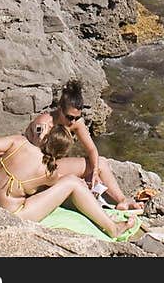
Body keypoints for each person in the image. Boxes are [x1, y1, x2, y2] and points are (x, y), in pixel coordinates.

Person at [0, 124, 139, 238]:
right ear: (61, 154)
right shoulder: (48, 172)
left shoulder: (19, 141)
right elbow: (59, 189)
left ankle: (107, 220)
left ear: (46, 137)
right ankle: (113, 228)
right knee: (73, 182)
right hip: (13, 214)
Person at [46, 78, 142, 209]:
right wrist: (66, 177)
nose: (73, 122)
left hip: (57, 165)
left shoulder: (75, 123)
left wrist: (95, 172)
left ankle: (122, 200)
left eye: (77, 117)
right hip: (43, 167)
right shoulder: (46, 124)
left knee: (100, 163)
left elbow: (92, 149)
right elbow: (35, 159)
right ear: (60, 109)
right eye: (69, 117)